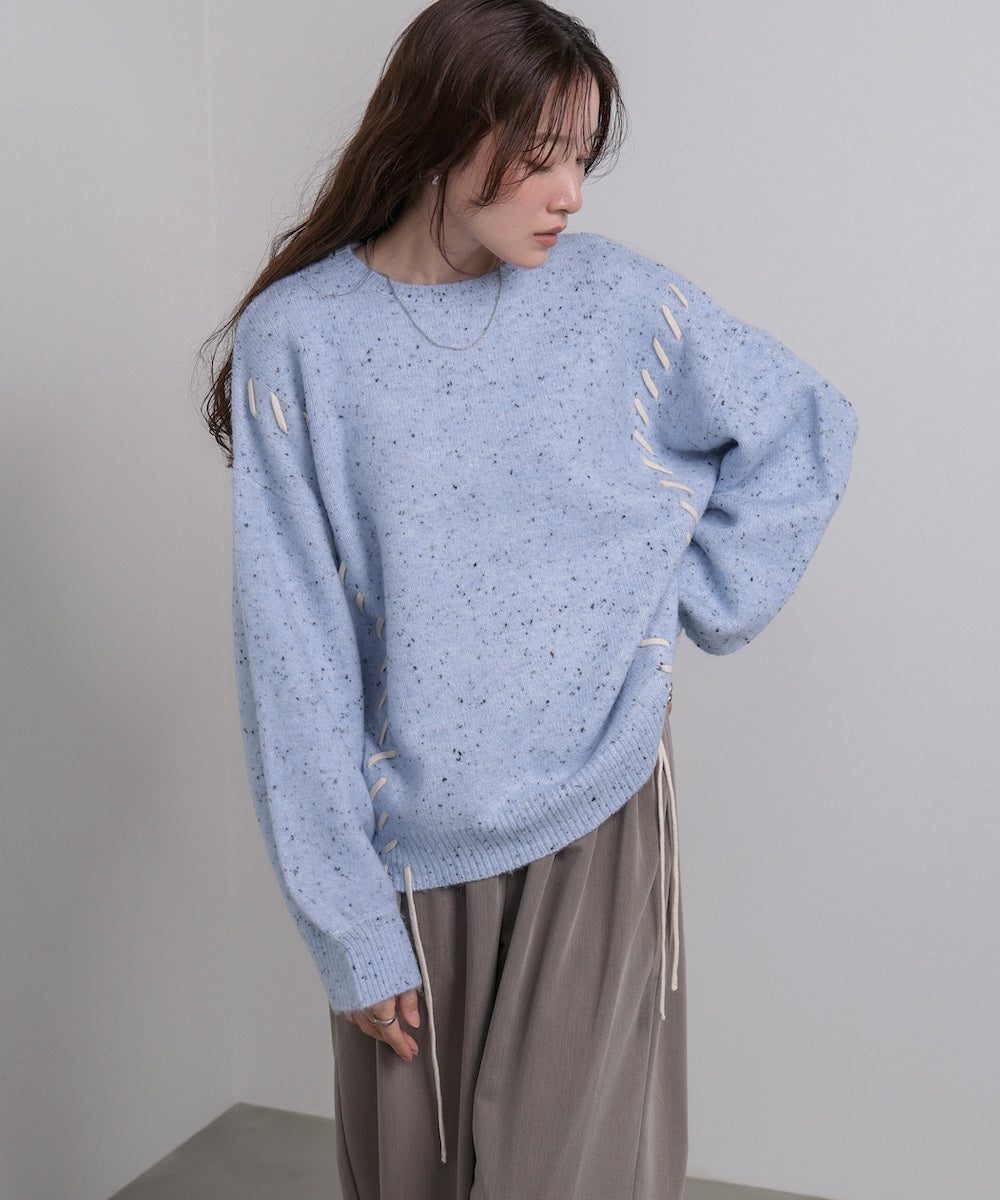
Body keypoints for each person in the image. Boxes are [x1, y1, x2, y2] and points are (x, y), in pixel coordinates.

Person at [202, 1, 857, 1196]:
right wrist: (348, 926)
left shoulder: (622, 306)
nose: (571, 195)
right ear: (440, 132)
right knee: (417, 1178)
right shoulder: (299, 342)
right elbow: (291, 654)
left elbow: (801, 426)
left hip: (599, 813)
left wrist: (678, 605)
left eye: (583, 157)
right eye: (542, 156)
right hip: (412, 849)